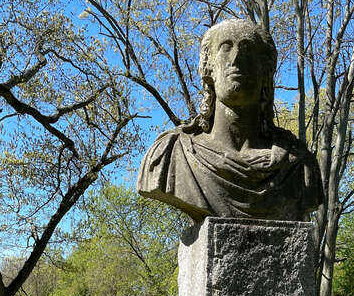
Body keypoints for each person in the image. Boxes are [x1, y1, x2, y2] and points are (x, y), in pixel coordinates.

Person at [137, 19, 323, 222]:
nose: (236, 59)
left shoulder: (298, 166)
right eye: (226, 48)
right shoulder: (172, 153)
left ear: (265, 70)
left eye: (248, 50)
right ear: (208, 67)